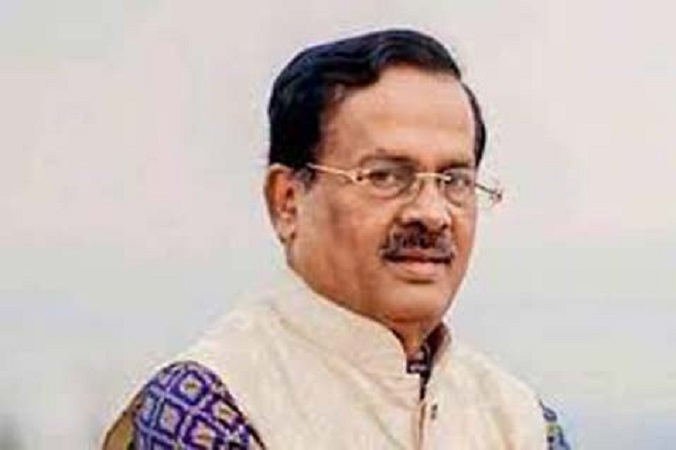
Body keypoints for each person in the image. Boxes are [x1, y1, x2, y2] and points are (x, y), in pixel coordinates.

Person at [103, 28, 570, 449]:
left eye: (454, 181)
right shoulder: (212, 403)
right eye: (385, 176)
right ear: (287, 201)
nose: (431, 214)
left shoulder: (521, 420)